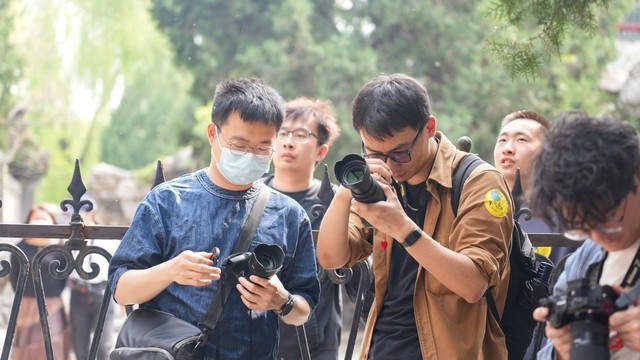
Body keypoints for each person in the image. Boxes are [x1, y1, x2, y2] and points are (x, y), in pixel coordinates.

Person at [108, 77, 320, 359]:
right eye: (239, 144)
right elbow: (121, 290)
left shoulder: (289, 215)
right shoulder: (168, 201)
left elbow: (304, 310)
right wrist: (170, 270)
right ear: (213, 133)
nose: (250, 155)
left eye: (262, 148)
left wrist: (281, 300)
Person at [317, 73, 513, 359]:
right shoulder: (380, 179)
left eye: (400, 152)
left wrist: (402, 228)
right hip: (381, 349)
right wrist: (349, 188)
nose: (390, 164)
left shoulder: (478, 182)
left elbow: (473, 285)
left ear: (429, 127)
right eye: (374, 152)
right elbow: (332, 257)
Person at [531, 112, 640, 359]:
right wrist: (560, 350)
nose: (600, 235)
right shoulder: (583, 260)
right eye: (583, 227)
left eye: (609, 217)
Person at [261, 97, 348, 359]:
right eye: (282, 133)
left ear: (321, 151)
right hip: (254, 339)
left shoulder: (335, 203)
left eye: (300, 135)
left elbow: (357, 276)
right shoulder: (250, 198)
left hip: (315, 345)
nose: (288, 141)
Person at [493, 110, 574, 265]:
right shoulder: (478, 206)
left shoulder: (566, 214)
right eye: (502, 140)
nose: (507, 148)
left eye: (521, 140)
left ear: (548, 152)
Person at [9, 205, 71, 360]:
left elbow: (64, 277)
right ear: (28, 222)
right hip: (26, 305)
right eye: (35, 218)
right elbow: (14, 278)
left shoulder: (60, 248)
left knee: (52, 346)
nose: (39, 221)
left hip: (53, 305)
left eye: (44, 218)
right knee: (27, 348)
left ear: (52, 222)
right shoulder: (19, 248)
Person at [67, 194, 118, 360]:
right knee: (80, 349)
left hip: (102, 292)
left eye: (79, 214)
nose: (74, 218)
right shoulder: (68, 239)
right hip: (78, 293)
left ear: (91, 213)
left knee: (103, 347)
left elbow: (117, 268)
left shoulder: (107, 237)